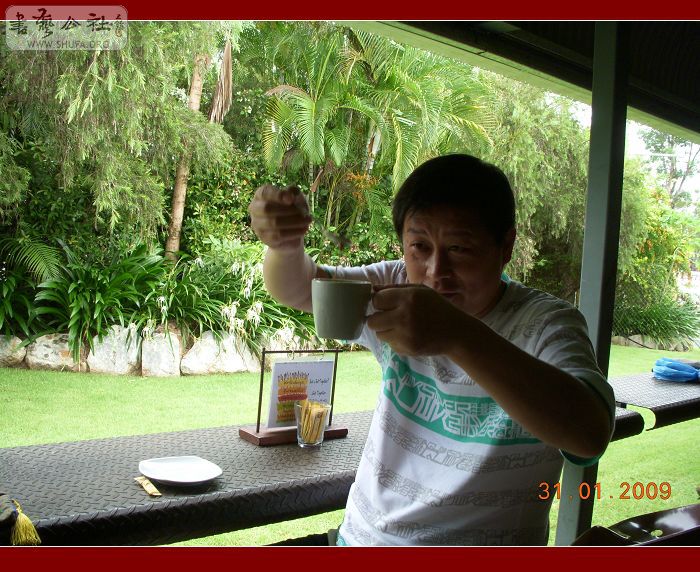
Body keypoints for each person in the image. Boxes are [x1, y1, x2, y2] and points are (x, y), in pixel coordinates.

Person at [248, 153, 615, 546]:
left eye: (459, 248)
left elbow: (589, 434)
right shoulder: (397, 284)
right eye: (419, 246)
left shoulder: (545, 322)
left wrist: (458, 335)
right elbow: (301, 290)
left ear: (505, 246)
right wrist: (285, 247)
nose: (436, 271)